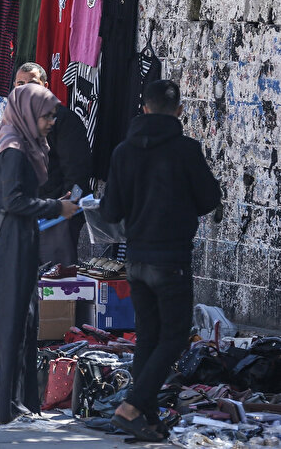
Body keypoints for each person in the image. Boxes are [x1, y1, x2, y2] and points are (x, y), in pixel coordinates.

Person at [102, 79, 221, 441]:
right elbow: (208, 199)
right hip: (171, 259)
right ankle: (133, 405)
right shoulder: (186, 150)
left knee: (148, 339)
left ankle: (147, 421)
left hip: (136, 259)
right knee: (174, 338)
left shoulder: (123, 151)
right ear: (179, 111)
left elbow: (110, 211)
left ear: (144, 108)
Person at [0, 84, 79, 424]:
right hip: (11, 246)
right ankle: (4, 404)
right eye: (46, 115)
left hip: (18, 243)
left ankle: (6, 402)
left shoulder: (17, 142)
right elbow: (14, 201)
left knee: (18, 322)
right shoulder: (14, 148)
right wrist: (57, 206)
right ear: (27, 113)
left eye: (52, 115)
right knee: (10, 325)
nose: (51, 122)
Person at [13, 62, 92, 273]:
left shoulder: (63, 121)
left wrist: (68, 213)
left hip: (55, 221)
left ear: (45, 86)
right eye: (20, 84)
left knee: (55, 292)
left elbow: (78, 175)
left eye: (32, 83)